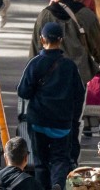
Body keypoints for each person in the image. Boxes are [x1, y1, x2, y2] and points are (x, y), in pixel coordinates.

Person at [17, 21, 86, 189]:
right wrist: (73, 118)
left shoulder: (35, 63)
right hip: (62, 123)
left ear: (42, 39)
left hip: (39, 121)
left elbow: (23, 91)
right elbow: (80, 93)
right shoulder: (70, 66)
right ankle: (57, 183)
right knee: (60, 159)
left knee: (40, 162)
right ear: (61, 40)